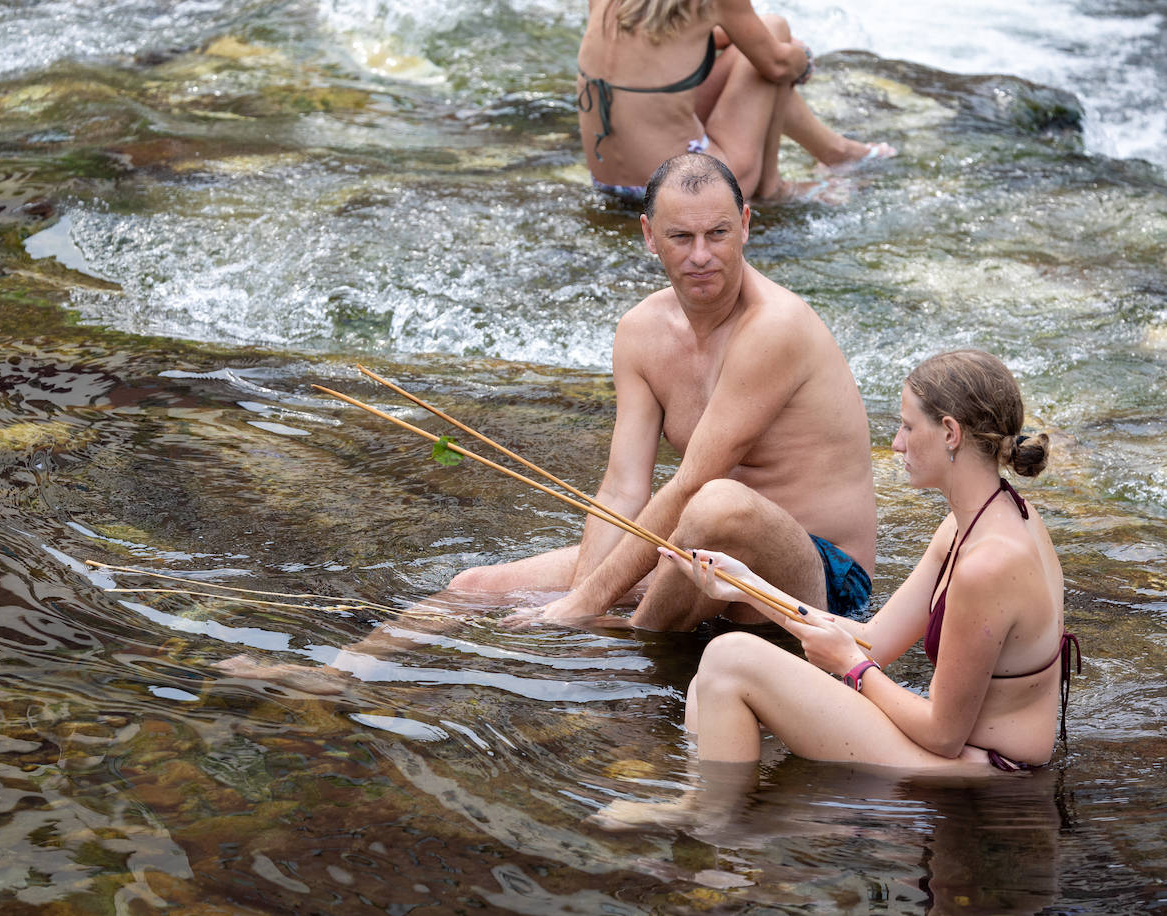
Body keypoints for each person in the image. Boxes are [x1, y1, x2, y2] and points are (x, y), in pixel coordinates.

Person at [452, 152, 877, 631]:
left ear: (745, 225)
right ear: (650, 236)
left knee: (718, 503)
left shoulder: (775, 326)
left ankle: (632, 640)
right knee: (473, 588)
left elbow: (694, 484)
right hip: (700, 552)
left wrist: (587, 604)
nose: (701, 255)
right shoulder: (640, 332)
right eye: (681, 237)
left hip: (819, 577)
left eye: (717, 233)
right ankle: (352, 676)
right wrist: (582, 594)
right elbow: (621, 488)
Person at [659, 349, 1078, 771]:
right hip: (954, 750)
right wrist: (748, 587)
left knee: (728, 661)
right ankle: (710, 809)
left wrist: (853, 669)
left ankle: (713, 820)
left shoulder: (987, 565)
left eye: (908, 426)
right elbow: (874, 640)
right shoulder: (981, 519)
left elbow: (943, 736)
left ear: (950, 432)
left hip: (984, 772)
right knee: (706, 686)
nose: (896, 444)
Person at [576, 0, 895, 202]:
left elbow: (685, 41)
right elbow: (778, 65)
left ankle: (835, 150)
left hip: (609, 182)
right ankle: (773, 188)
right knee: (776, 30)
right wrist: (801, 57)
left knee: (763, 44)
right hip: (687, 189)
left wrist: (757, 41)